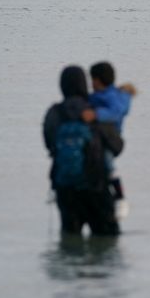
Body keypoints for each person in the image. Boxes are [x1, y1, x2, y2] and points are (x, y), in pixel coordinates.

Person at [43, 66, 124, 236]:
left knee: (70, 246)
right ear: (84, 84)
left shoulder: (54, 113)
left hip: (65, 187)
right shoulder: (94, 111)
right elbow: (117, 146)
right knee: (107, 245)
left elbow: (50, 145)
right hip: (96, 186)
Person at [86, 62, 135, 218]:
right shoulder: (95, 96)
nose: (90, 83)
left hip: (111, 139)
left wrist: (97, 114)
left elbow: (116, 112)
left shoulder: (114, 97)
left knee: (108, 165)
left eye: (92, 79)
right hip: (96, 138)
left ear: (98, 80)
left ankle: (120, 198)